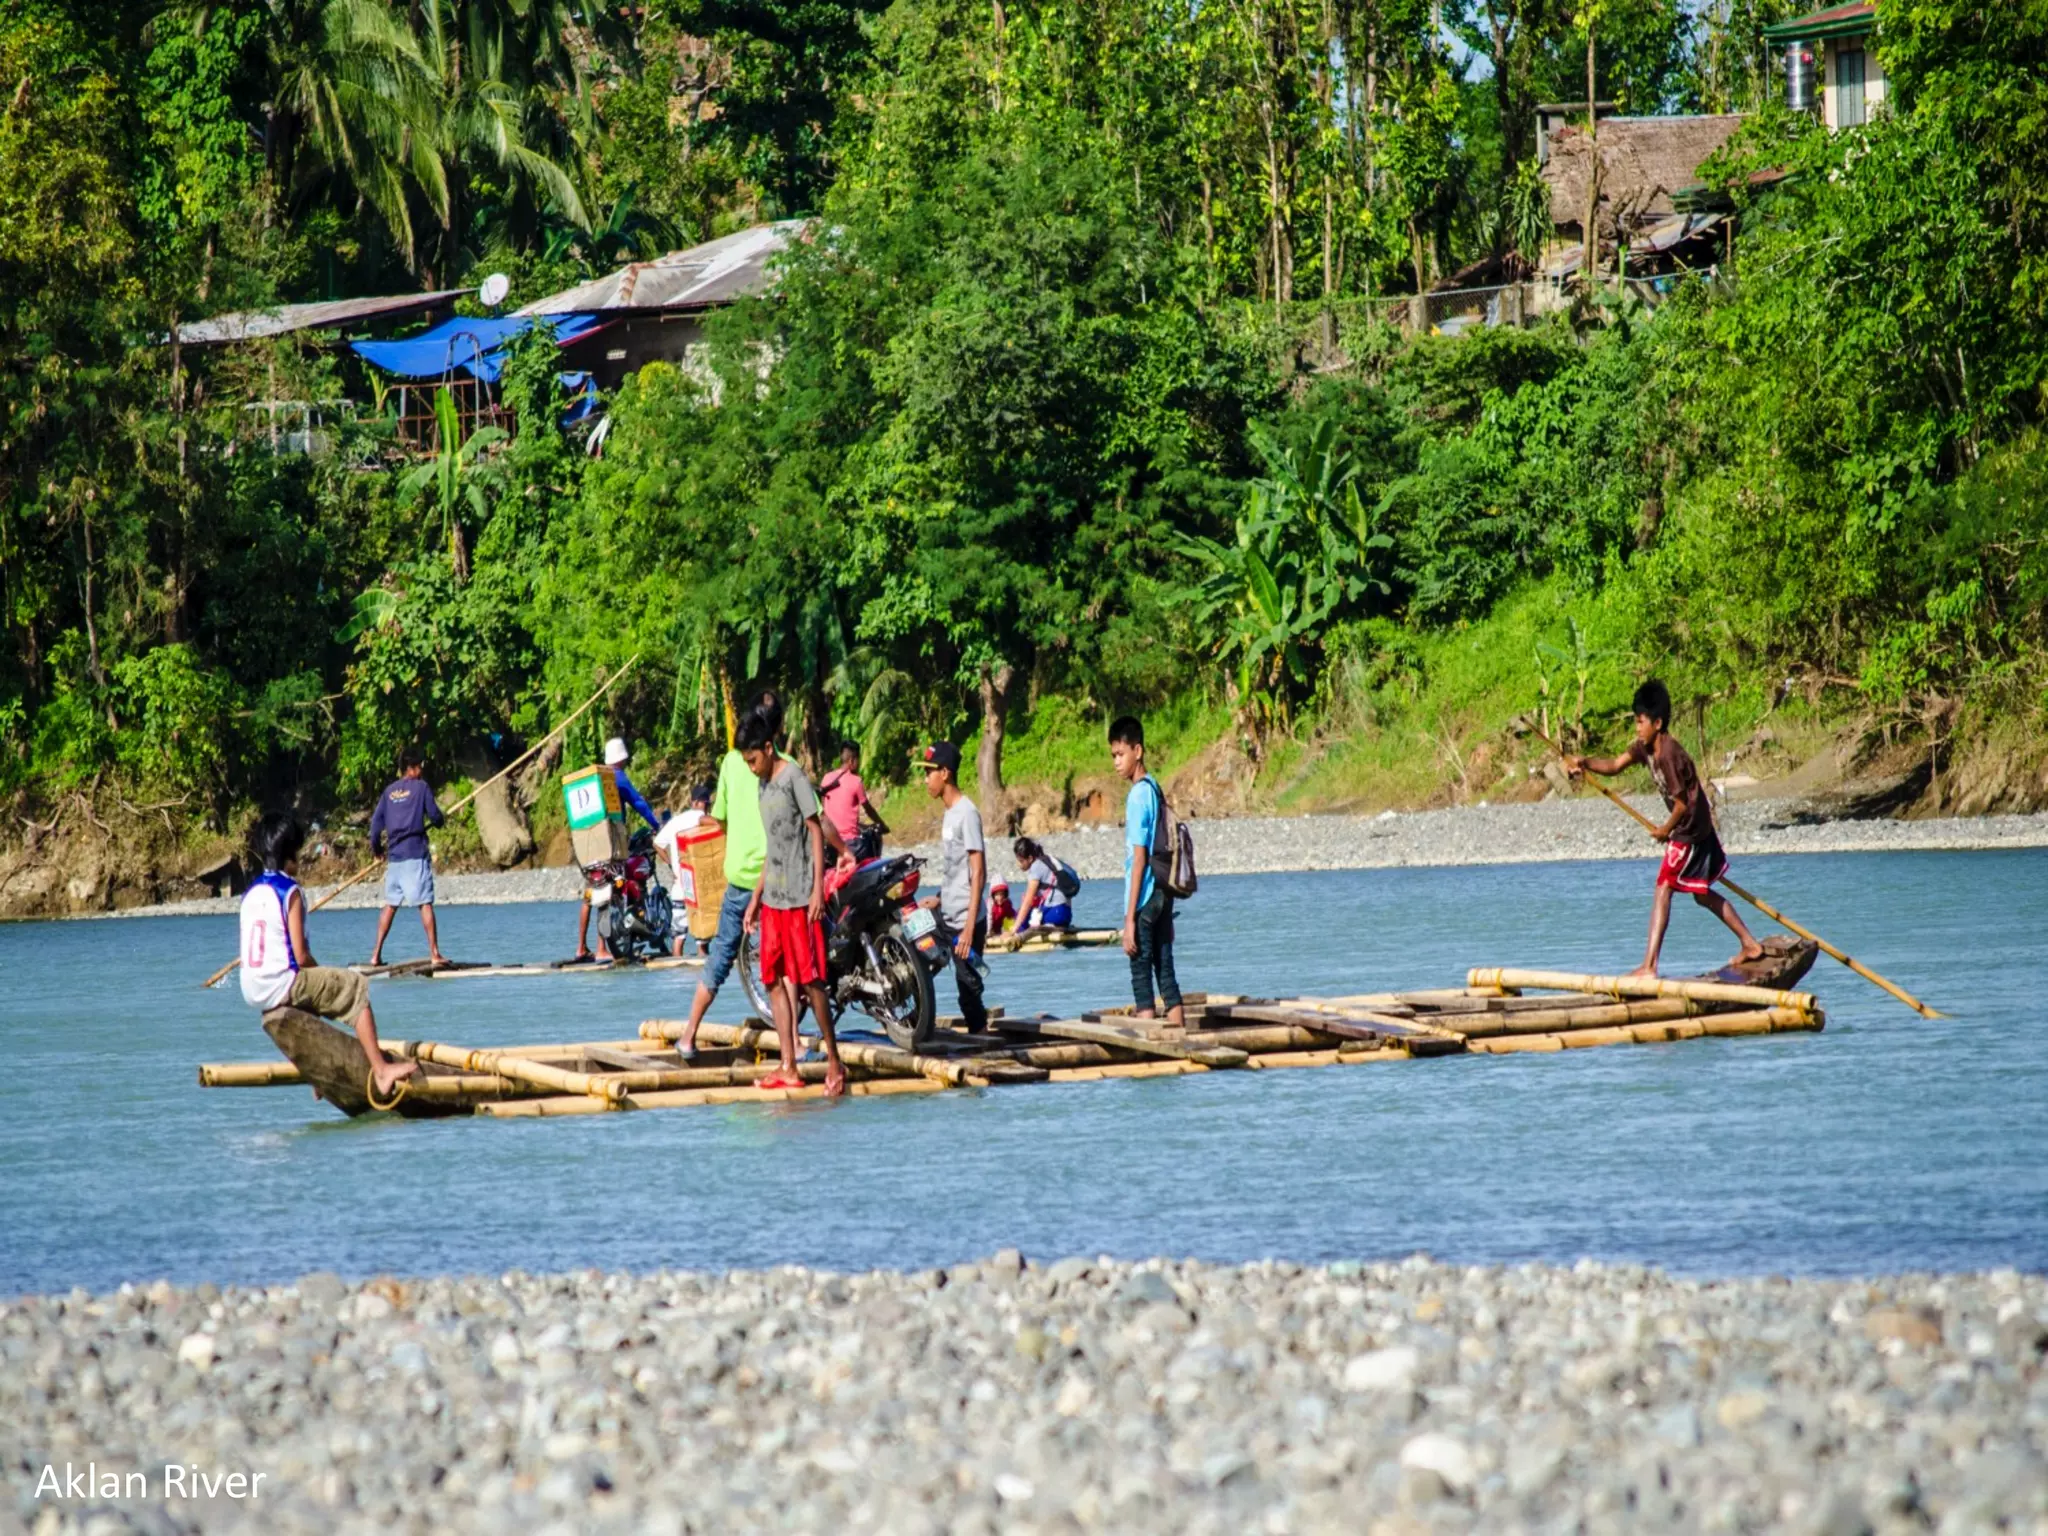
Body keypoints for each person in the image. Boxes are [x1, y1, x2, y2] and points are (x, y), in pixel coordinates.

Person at [672, 693, 852, 1055]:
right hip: (778, 881)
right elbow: (819, 820)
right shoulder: (781, 766)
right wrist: (845, 850)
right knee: (788, 965)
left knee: (724, 956)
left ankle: (689, 1035)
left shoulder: (732, 763)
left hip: (746, 878)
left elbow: (719, 819)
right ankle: (798, 1047)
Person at [1565, 678, 1766, 977]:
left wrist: (1664, 830)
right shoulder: (1645, 748)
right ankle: (1750, 944)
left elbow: (1682, 804)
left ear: (1657, 723)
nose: (1637, 728)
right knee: (1700, 893)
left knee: (1663, 888)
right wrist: (1585, 763)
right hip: (1693, 826)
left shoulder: (1669, 754)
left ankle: (1649, 965)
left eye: (1641, 721)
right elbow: (1616, 765)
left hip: (1690, 830)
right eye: (1635, 721)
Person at [240, 812, 416, 1098]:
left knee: (314, 992)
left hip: (253, 990)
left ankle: (319, 1074)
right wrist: (325, 974)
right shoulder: (290, 891)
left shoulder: (251, 893)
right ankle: (382, 1071)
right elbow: (300, 955)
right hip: (281, 982)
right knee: (353, 984)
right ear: (290, 855)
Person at [737, 713, 847, 1096]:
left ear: (769, 749)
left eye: (753, 760)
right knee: (772, 979)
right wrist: (755, 897)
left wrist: (818, 889)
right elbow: (773, 846)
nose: (751, 768)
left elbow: (815, 830)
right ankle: (788, 1064)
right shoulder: (762, 786)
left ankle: (834, 1061)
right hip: (773, 899)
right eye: (746, 763)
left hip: (801, 897)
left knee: (813, 980)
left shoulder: (793, 778)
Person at [1110, 715, 1184, 1025]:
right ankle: (1179, 1032)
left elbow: (1138, 859)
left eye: (1121, 754)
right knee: (1164, 970)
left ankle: (1150, 1048)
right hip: (1163, 892)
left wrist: (1129, 919)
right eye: (1113, 756)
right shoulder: (1154, 787)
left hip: (1144, 897)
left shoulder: (1138, 795)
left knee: (1141, 974)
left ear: (1137, 751)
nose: (1116, 762)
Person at [917, 741, 988, 1032]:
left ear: (944, 773)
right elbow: (953, 871)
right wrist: (938, 898)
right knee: (914, 944)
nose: (925, 780)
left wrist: (970, 929)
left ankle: (983, 1041)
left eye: (929, 773)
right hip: (946, 913)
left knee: (968, 992)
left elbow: (978, 871)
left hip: (965, 923)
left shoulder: (967, 813)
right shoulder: (948, 813)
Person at [573, 736, 663, 963]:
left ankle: (581, 948)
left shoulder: (595, 781)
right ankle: (603, 948)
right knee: (612, 890)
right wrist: (656, 825)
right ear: (622, 758)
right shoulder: (617, 778)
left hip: (588, 846)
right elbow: (638, 802)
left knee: (589, 896)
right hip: (611, 844)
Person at [366, 751, 448, 968]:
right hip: (414, 855)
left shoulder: (389, 792)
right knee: (425, 904)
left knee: (390, 906)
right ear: (411, 767)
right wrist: (441, 821)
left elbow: (374, 829)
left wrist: (377, 851)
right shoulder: (421, 788)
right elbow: (435, 816)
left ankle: (375, 955)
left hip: (394, 859)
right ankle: (434, 953)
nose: (421, 770)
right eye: (419, 766)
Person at [653, 779, 716, 958]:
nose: (706, 807)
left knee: (678, 939)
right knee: (702, 943)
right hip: (697, 890)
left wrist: (672, 865)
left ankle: (676, 977)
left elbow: (657, 844)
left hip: (679, 888)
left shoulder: (675, 822)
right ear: (697, 803)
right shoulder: (700, 817)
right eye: (706, 804)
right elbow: (717, 825)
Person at [820, 739, 889, 862]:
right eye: (858, 760)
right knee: (873, 837)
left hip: (829, 842)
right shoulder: (856, 781)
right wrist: (882, 825)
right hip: (850, 844)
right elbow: (868, 809)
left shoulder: (826, 778)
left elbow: (824, 810)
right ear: (852, 761)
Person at [1012, 837, 1076, 930]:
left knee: (1021, 919)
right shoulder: (1046, 861)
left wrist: (1014, 929)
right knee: (1029, 914)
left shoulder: (1036, 867)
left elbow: (1027, 902)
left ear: (1030, 858)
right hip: (1065, 914)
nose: (1019, 864)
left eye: (1021, 861)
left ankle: (1016, 936)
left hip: (1055, 914)